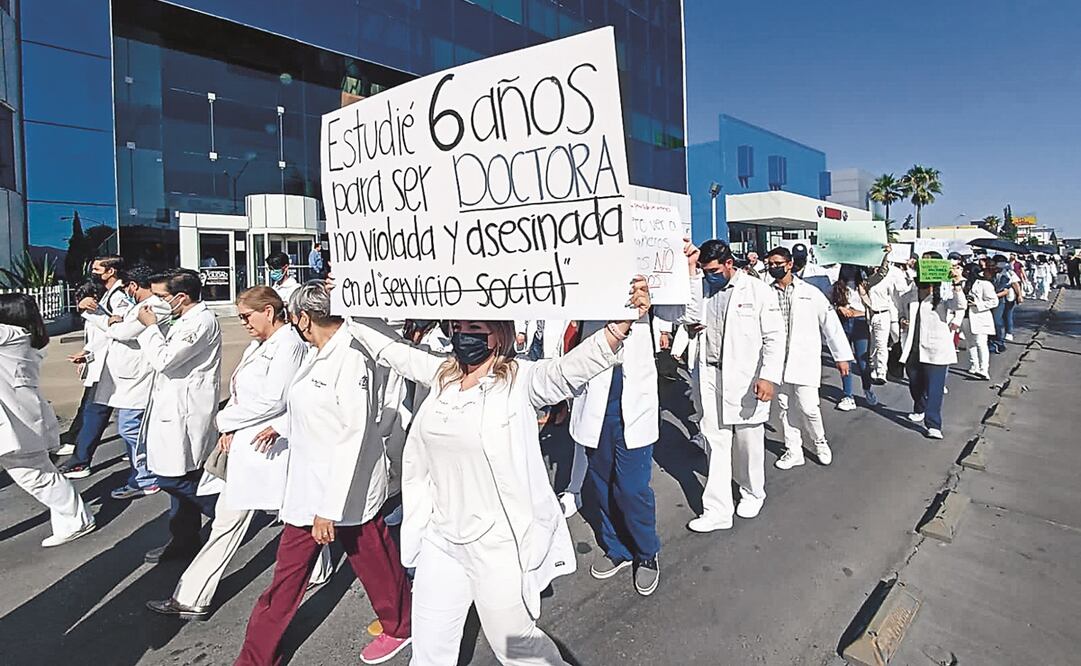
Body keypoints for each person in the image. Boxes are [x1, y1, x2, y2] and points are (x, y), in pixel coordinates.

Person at [345, 278, 651, 666]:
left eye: (475, 328)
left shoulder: (522, 381)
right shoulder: (442, 375)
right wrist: (351, 299)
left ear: (499, 334)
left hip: (497, 543)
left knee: (517, 646)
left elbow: (569, 370)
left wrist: (620, 324)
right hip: (441, 538)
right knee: (429, 647)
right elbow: (390, 348)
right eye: (458, 327)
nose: (463, 335)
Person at [235, 283, 413, 666]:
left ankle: (400, 625)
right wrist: (282, 426)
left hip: (345, 491)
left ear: (303, 317)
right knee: (287, 579)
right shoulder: (320, 353)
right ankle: (255, 658)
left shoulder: (351, 358)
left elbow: (353, 434)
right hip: (308, 491)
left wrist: (328, 509)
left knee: (376, 565)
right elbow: (308, 406)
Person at [146, 287, 333, 619]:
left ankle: (192, 596)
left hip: (272, 447)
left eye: (247, 316)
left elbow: (274, 398)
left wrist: (224, 420)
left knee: (288, 515)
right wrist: (231, 426)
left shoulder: (288, 345)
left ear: (269, 311)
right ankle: (192, 596)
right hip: (252, 446)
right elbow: (241, 393)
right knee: (247, 518)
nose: (243, 323)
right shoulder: (258, 345)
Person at [681, 240, 784, 533]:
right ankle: (717, 510)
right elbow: (688, 316)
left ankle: (753, 492)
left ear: (729, 264)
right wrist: (691, 270)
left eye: (713, 270)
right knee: (714, 441)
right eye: (704, 270)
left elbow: (775, 337)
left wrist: (769, 376)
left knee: (749, 441)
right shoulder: (702, 288)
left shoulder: (757, 290)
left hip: (746, 377)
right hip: (710, 375)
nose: (709, 275)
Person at [137, 269, 223, 564]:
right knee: (181, 475)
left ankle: (225, 513)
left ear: (181, 297)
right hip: (173, 408)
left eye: (161, 297)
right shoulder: (182, 319)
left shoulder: (199, 322)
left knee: (172, 477)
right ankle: (183, 540)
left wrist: (149, 329)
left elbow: (164, 360)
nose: (156, 303)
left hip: (186, 411)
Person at [570, 316, 661, 596]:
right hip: (596, 408)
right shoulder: (589, 295)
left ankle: (646, 551)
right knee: (602, 483)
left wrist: (691, 273)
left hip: (634, 410)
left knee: (632, 489)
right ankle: (617, 547)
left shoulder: (651, 299)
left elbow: (687, 312)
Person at [0, 294, 96, 547]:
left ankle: (77, 520)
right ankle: (75, 518)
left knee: (36, 474)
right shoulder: (21, 336)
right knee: (38, 472)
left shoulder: (11, 335)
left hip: (17, 421)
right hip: (20, 417)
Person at [764, 248, 854, 469]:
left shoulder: (810, 292)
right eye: (770, 264)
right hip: (778, 360)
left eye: (778, 263)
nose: (773, 267)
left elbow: (830, 324)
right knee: (785, 407)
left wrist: (841, 357)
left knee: (808, 406)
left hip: (804, 358)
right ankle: (793, 450)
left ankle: (819, 441)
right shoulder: (766, 293)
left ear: (789, 263)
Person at [92, 264, 171, 500]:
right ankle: (143, 474)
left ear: (133, 286)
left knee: (130, 428)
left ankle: (146, 478)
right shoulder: (140, 307)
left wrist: (104, 320)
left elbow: (123, 333)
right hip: (128, 380)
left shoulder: (153, 306)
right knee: (131, 429)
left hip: (139, 380)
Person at [58, 256, 133, 477]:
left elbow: (117, 329)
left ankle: (81, 461)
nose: (93, 272)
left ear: (111, 272)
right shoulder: (107, 295)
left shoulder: (119, 296)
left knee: (96, 411)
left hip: (112, 364)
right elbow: (101, 332)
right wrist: (88, 352)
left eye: (97, 269)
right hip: (103, 362)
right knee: (95, 410)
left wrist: (90, 312)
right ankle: (80, 454)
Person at [898, 259, 967, 439]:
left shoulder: (943, 298)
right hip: (913, 349)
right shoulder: (908, 297)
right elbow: (900, 314)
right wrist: (902, 321)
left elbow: (960, 305)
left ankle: (933, 423)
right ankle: (919, 407)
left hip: (936, 349)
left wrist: (957, 283)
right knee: (915, 384)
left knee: (935, 388)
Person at [829, 265, 879, 411]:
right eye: (847, 268)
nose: (850, 271)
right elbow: (827, 303)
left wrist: (885, 256)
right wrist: (839, 307)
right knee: (845, 360)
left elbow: (881, 274)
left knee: (863, 363)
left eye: (853, 268)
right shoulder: (837, 287)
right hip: (843, 324)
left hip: (860, 322)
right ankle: (848, 395)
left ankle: (867, 388)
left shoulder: (864, 284)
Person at [963, 259, 999, 380]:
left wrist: (977, 304)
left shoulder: (984, 284)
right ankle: (974, 365)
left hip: (980, 316)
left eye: (966, 271)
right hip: (965, 316)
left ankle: (984, 369)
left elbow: (994, 301)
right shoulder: (963, 284)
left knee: (980, 343)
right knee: (970, 343)